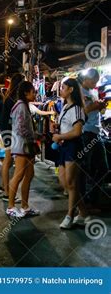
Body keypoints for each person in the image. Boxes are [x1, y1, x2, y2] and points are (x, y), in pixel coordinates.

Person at [52, 78, 89, 229]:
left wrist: (60, 136)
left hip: (73, 147)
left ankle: (70, 216)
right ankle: (84, 213)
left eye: (63, 87)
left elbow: (77, 131)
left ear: (71, 90)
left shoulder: (77, 109)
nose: (61, 90)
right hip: (64, 146)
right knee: (65, 183)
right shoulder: (66, 107)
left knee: (71, 183)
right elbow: (67, 128)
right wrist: (58, 127)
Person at [6, 81, 40, 218]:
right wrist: (35, 136)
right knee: (18, 175)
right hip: (21, 145)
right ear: (26, 93)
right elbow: (21, 128)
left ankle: (25, 206)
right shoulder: (20, 106)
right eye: (33, 91)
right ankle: (10, 207)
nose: (35, 94)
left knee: (29, 175)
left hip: (27, 145)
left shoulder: (24, 105)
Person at [78, 68, 108, 209]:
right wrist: (94, 106)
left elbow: (97, 111)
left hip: (97, 132)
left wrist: (100, 106)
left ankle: (92, 198)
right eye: (93, 81)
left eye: (96, 81)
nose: (95, 84)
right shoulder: (79, 92)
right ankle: (83, 202)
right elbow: (81, 112)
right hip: (86, 132)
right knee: (86, 168)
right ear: (86, 79)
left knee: (103, 168)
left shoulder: (93, 91)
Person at [0, 73, 25, 201]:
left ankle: (4, 187)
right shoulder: (12, 98)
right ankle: (7, 193)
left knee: (7, 161)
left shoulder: (10, 96)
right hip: (9, 131)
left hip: (6, 130)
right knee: (8, 161)